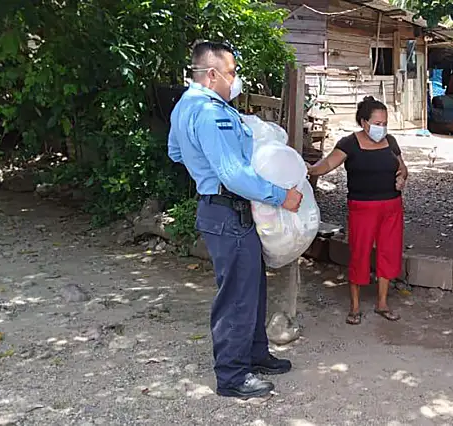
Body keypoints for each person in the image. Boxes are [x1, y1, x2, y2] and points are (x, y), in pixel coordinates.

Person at [167, 41, 301, 399]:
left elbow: (175, 152)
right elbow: (235, 175)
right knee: (237, 296)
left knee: (251, 286)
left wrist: (203, 168)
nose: (235, 80)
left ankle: (255, 354)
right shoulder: (213, 113)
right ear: (211, 75)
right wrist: (281, 196)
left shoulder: (184, 106)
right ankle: (232, 376)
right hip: (230, 210)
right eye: (231, 73)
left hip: (219, 209)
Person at [307, 96, 408, 325]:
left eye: (385, 123)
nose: (382, 128)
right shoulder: (349, 143)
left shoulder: (391, 142)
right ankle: (354, 307)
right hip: (362, 208)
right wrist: (311, 170)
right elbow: (328, 164)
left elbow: (403, 168)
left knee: (388, 253)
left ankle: (382, 303)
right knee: (359, 255)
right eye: (377, 123)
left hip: (392, 207)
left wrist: (402, 177)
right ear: (364, 122)